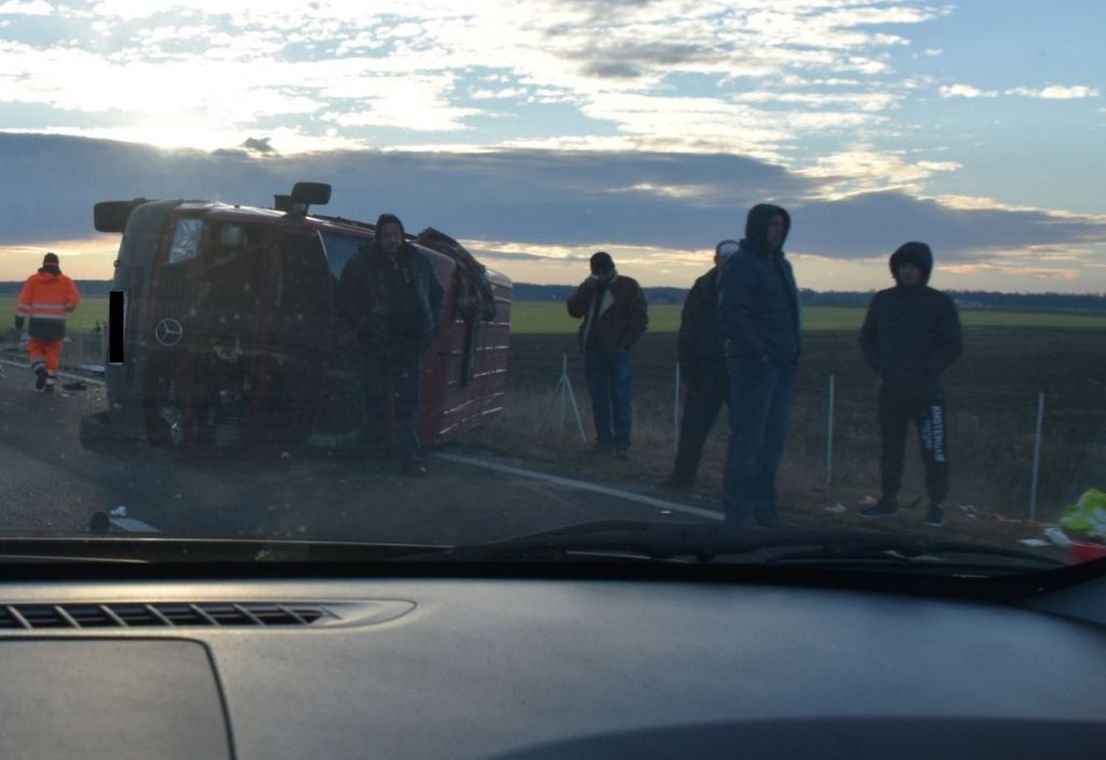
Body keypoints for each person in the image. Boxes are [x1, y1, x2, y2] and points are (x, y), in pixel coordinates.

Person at [858, 242, 963, 528]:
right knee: (891, 449)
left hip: (927, 392)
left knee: (934, 450)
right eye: (902, 266)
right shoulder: (883, 300)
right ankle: (888, 500)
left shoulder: (939, 303)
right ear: (896, 269)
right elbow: (867, 339)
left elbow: (953, 344)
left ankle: (936, 506)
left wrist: (927, 370)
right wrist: (881, 366)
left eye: (913, 266)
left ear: (923, 270)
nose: (907, 271)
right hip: (891, 390)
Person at [338, 213, 444, 476]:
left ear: (402, 236)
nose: (392, 240)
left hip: (409, 345)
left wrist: (431, 326)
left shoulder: (418, 262)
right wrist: (364, 327)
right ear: (378, 237)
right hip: (376, 344)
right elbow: (347, 298)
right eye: (387, 235)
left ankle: (408, 458)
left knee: (408, 405)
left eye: (396, 234)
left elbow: (436, 293)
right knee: (374, 402)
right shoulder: (362, 263)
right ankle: (371, 458)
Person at [717, 204, 800, 528]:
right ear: (758, 227)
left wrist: (793, 351)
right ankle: (738, 513)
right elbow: (731, 314)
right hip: (755, 366)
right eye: (772, 224)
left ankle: (765, 507)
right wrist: (759, 353)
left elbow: (790, 311)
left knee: (773, 441)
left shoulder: (781, 264)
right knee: (748, 441)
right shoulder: (741, 264)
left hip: (783, 364)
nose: (778, 230)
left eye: (782, 225)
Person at [659, 239, 740, 491]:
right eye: (725, 257)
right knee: (693, 429)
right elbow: (688, 330)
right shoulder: (703, 286)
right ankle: (682, 478)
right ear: (715, 259)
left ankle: (738, 485)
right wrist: (688, 365)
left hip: (739, 372)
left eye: (734, 257)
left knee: (743, 433)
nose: (729, 262)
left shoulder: (749, 287)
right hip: (706, 370)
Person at [566, 251, 648, 457]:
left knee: (620, 397)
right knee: (599, 398)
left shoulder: (627, 286)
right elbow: (574, 310)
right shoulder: (591, 288)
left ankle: (622, 444)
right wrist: (586, 288)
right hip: (594, 350)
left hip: (616, 351)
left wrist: (624, 344)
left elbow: (640, 319)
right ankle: (604, 442)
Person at [14, 252, 81, 394]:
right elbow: (74, 299)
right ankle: (49, 384)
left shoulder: (33, 280)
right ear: (57, 264)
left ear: (44, 263)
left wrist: (20, 317)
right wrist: (68, 308)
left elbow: (24, 300)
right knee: (53, 353)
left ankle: (40, 371)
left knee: (35, 349)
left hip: (37, 324)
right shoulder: (65, 281)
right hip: (57, 325)